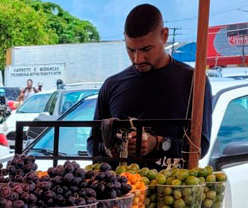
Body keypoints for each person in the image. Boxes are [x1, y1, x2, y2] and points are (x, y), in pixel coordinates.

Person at [88, 4, 212, 162]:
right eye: (131, 50)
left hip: (171, 184)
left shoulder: (194, 81)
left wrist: (158, 144)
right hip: (123, 185)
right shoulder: (112, 85)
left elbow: (201, 146)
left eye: (146, 49)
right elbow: (92, 144)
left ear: (164, 36)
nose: (137, 59)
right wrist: (115, 148)